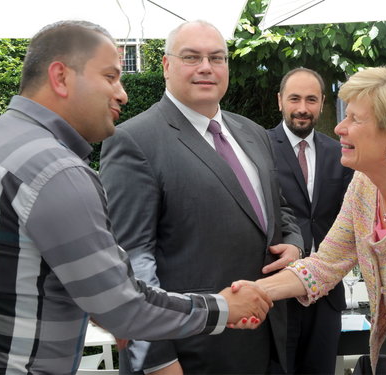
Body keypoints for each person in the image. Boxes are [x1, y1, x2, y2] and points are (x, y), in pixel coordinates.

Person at [0, 20, 273, 374]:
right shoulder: (56, 171)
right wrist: (223, 307)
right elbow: (121, 306)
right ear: (61, 77)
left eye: (218, 57)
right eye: (110, 77)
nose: (122, 93)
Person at [99, 20, 304, 375]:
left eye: (217, 58)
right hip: (192, 355)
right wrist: (158, 360)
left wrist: (295, 244)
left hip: (267, 344)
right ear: (166, 66)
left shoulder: (253, 133)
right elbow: (131, 262)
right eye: (192, 57)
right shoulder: (134, 141)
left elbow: (278, 209)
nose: (206, 67)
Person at [234, 65, 386, 375]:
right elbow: (325, 265)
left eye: (355, 119)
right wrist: (257, 291)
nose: (339, 127)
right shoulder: (364, 187)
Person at [267, 67, 353, 374]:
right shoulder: (259, 150)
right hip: (278, 296)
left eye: (311, 99)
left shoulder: (340, 153)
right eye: (294, 98)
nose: (302, 108)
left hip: (327, 297)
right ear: (280, 101)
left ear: (322, 103)